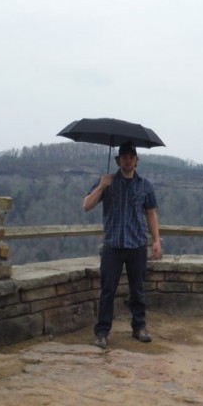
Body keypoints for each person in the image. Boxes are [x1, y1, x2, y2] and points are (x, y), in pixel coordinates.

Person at [83, 141, 162, 349]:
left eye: (131, 157)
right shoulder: (107, 182)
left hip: (137, 245)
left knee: (138, 290)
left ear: (136, 161)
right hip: (113, 245)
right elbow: (86, 205)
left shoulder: (145, 185)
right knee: (108, 290)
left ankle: (139, 327)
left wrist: (156, 240)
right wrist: (101, 186)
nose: (128, 160)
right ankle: (102, 332)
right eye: (124, 157)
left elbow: (151, 213)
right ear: (118, 161)